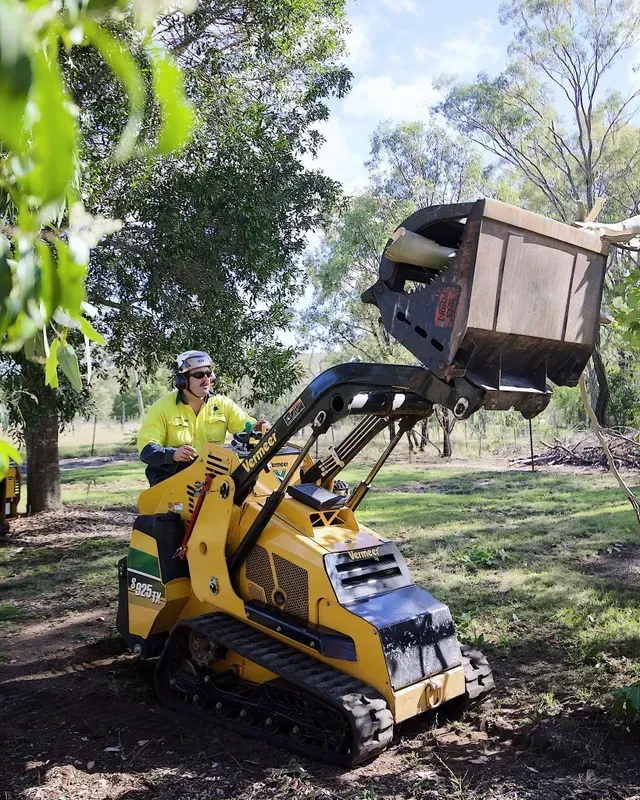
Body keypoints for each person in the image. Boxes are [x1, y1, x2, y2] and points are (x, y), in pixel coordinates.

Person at [138, 350, 269, 486]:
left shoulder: (224, 404)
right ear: (182, 381)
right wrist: (173, 454)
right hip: (171, 481)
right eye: (199, 375)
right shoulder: (161, 408)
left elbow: (248, 429)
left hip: (211, 482)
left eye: (208, 374)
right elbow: (146, 450)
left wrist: (259, 429)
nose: (206, 379)